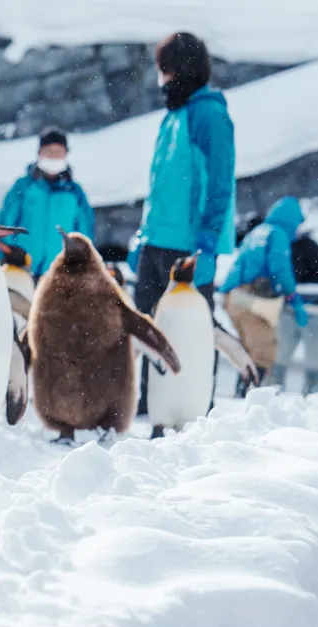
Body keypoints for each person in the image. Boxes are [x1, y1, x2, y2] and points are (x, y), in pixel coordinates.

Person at [128, 32, 236, 412]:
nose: (160, 75)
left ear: (176, 68)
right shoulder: (175, 114)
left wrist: (206, 241)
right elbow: (161, 185)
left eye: (164, 67)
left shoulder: (209, 114)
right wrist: (144, 235)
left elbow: (219, 183)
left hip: (188, 246)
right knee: (146, 327)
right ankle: (146, 403)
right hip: (158, 240)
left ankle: (193, 407)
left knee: (191, 331)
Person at [219, 197, 308, 396]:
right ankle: (249, 397)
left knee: (248, 352)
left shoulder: (257, 232)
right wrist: (294, 299)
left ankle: (243, 392)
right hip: (249, 297)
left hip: (233, 297)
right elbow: (280, 269)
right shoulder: (277, 234)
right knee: (264, 351)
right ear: (290, 219)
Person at [0, 126, 95, 277]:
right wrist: (7, 253)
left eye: (58, 151)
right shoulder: (23, 187)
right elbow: (5, 223)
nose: (53, 156)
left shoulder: (74, 192)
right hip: (21, 267)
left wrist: (80, 260)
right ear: (40, 153)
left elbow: (84, 232)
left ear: (66, 154)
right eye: (49, 151)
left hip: (59, 271)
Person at [268, 232, 318, 394]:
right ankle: (312, 395)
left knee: (281, 353)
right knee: (314, 359)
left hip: (290, 308)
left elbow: (284, 276)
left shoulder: (289, 248)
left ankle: (273, 390)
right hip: (313, 311)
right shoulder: (310, 248)